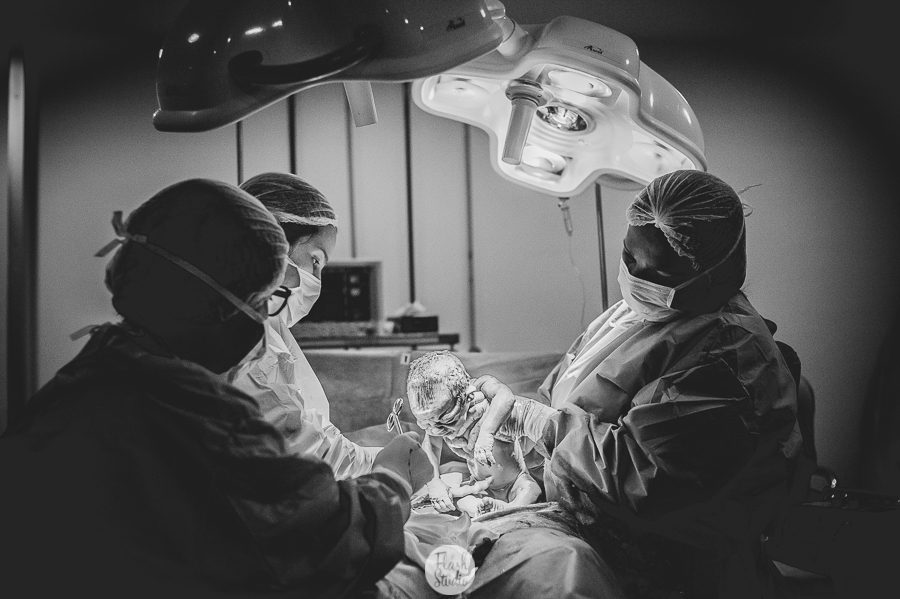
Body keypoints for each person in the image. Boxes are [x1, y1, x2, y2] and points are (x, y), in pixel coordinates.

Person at [0, 178, 432, 598]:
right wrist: (391, 481)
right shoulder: (191, 414)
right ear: (210, 298)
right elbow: (327, 543)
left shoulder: (98, 371)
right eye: (261, 300)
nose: (264, 321)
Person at [469, 170, 803, 598]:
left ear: (719, 271)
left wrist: (537, 423)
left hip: (663, 576)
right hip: (583, 534)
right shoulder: (632, 315)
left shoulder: (730, 357)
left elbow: (643, 480)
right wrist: (516, 458)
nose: (640, 278)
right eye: (630, 259)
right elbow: (566, 399)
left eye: (662, 272)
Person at [229, 172, 378, 479]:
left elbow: (307, 424)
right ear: (274, 247)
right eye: (315, 261)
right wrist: (383, 464)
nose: (314, 280)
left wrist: (374, 456)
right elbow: (296, 445)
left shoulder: (268, 325)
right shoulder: (241, 341)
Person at [405, 350, 545, 515]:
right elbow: (431, 449)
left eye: (447, 419)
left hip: (516, 480)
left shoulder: (482, 389)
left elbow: (505, 397)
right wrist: (435, 482)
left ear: (468, 396)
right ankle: (482, 510)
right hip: (481, 485)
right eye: (424, 422)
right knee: (457, 498)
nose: (436, 429)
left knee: (531, 489)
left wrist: (487, 434)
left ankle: (510, 508)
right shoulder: (436, 420)